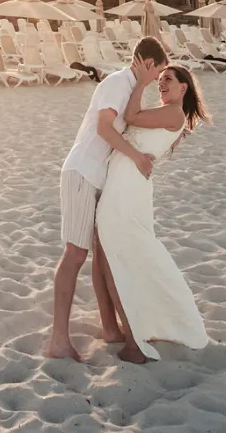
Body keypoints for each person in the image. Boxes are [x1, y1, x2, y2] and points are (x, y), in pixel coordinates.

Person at [43, 37, 168, 361]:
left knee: (101, 253)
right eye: (158, 73)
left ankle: (110, 328)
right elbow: (103, 128)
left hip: (99, 178)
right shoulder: (116, 83)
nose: (157, 80)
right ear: (148, 63)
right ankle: (58, 340)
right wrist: (138, 157)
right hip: (83, 172)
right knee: (75, 253)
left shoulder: (130, 88)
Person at [96, 63, 212, 363]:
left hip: (127, 187)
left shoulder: (174, 113)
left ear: (183, 88)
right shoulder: (169, 113)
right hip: (126, 182)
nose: (161, 84)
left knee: (117, 257)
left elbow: (131, 116)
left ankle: (134, 342)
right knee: (126, 254)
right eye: (159, 80)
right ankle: (133, 328)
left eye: (167, 80)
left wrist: (142, 82)